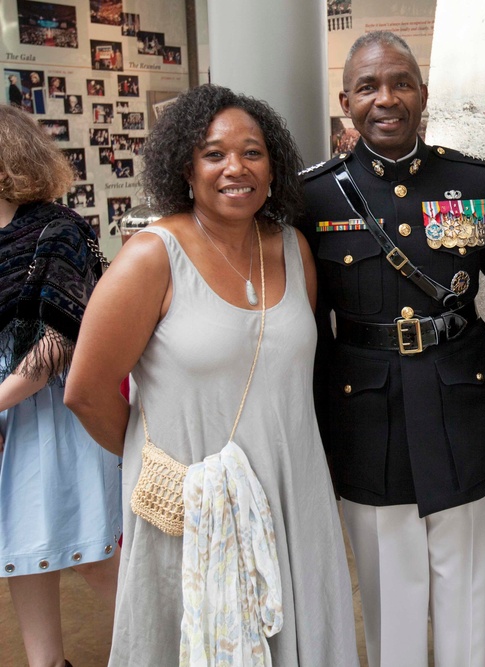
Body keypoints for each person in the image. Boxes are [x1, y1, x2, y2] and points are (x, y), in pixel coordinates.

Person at [64, 84, 359, 666]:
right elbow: (87, 392)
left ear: (273, 166)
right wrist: (167, 459)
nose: (235, 168)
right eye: (214, 153)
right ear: (186, 167)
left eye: (252, 152)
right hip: (194, 508)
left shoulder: (293, 249)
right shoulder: (152, 256)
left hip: (293, 491)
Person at [296, 30, 485, 667]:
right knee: (391, 595)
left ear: (423, 93)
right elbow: (301, 329)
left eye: (400, 83)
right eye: (368, 86)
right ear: (345, 101)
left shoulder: (472, 181)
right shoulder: (313, 197)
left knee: (466, 589)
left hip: (463, 405)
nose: (385, 99)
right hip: (366, 416)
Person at [0, 104, 121, 667]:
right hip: (6, 417)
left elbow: (59, 342)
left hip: (50, 415)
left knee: (89, 548)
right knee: (19, 553)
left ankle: (166, 645)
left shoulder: (56, 229)